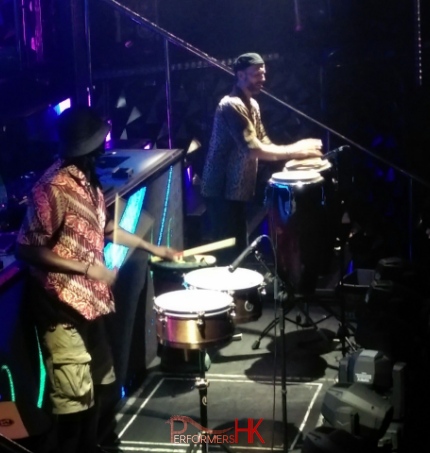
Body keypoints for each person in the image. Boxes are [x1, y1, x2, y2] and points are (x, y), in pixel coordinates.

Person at [15, 106, 178, 453]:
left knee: (102, 387)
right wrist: (87, 269)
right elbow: (27, 249)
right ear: (86, 147)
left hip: (91, 303)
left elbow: (107, 229)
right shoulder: (52, 189)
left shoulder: (90, 179)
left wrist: (153, 247)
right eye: (99, 143)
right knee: (74, 402)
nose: (105, 147)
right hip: (60, 307)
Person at [201, 52, 323, 264]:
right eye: (257, 74)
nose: (262, 79)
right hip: (220, 190)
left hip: (236, 191)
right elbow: (252, 148)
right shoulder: (230, 105)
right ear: (240, 75)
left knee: (238, 245)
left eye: (263, 74)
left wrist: (297, 156)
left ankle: (237, 294)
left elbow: (264, 142)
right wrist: (298, 150)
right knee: (229, 251)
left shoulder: (253, 105)